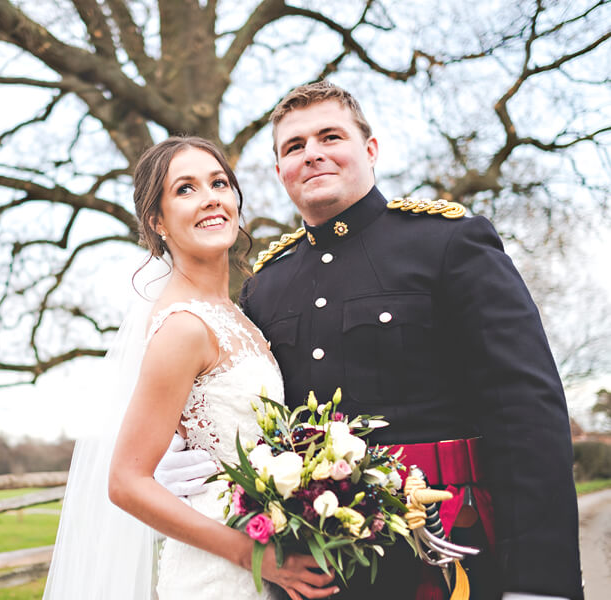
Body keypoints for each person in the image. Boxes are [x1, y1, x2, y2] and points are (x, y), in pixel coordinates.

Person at [234, 81, 581, 599]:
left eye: (331, 136)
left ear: (369, 149)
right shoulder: (263, 287)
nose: (313, 155)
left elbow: (525, 411)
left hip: (447, 547)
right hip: (317, 572)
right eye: (294, 146)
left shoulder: (448, 242)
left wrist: (540, 582)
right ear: (280, 170)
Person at [43, 136, 340, 600]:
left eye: (218, 182)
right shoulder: (183, 326)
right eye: (185, 189)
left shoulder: (238, 315)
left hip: (269, 551)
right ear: (156, 221)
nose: (210, 199)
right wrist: (252, 555)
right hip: (221, 568)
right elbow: (126, 482)